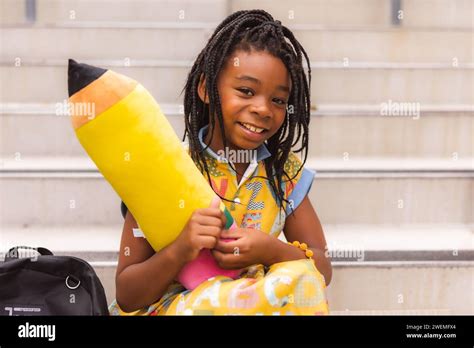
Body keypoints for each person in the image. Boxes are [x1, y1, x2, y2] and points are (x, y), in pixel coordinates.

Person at [109, 9, 332, 315]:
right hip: (183, 307)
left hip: (250, 301)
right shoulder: (166, 170)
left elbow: (321, 268)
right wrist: (181, 249)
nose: (263, 109)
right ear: (205, 89)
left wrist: (271, 250)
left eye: (278, 100)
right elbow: (128, 295)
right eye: (246, 91)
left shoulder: (283, 174)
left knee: (303, 276)